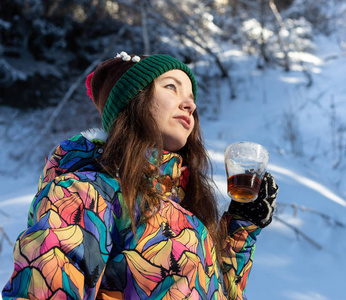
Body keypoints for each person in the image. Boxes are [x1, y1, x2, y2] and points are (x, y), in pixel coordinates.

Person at [2, 52, 278, 300]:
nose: (189, 105)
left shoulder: (185, 212)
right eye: (171, 87)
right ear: (133, 101)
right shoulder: (86, 193)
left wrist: (243, 225)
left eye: (192, 99)